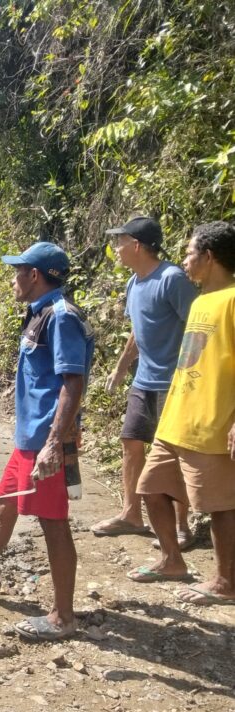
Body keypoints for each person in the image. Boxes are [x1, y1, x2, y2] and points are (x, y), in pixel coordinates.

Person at [0, 242, 94, 642]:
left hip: (44, 442)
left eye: (18, 271)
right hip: (29, 440)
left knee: (53, 523)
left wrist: (54, 443)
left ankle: (62, 617)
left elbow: (73, 382)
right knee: (4, 505)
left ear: (35, 275)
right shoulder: (41, 315)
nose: (13, 278)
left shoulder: (61, 318)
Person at [136, 221, 235, 603]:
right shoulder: (200, 300)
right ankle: (172, 560)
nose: (185, 260)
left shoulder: (230, 299)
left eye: (191, 253)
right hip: (178, 419)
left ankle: (225, 583)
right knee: (151, 487)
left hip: (212, 422)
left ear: (209, 257)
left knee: (221, 507)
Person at [91, 217, 197, 548]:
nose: (116, 249)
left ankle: (182, 526)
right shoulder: (134, 283)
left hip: (174, 383)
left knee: (174, 453)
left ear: (137, 245)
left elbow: (198, 328)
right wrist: (122, 369)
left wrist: (191, 375)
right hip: (144, 380)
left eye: (120, 242)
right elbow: (138, 330)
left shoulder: (172, 279)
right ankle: (131, 515)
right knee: (131, 443)